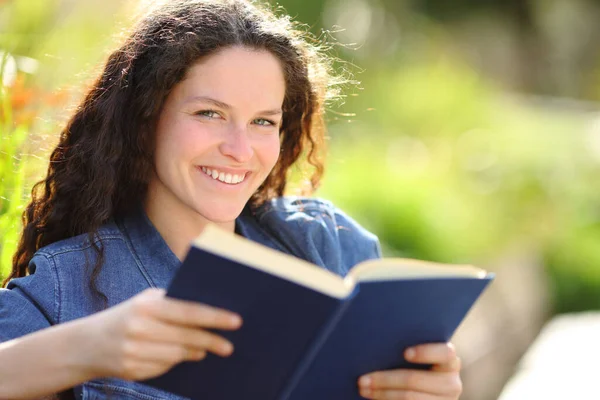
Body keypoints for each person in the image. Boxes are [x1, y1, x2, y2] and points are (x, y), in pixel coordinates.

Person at [0, 0, 463, 399]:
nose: (240, 150)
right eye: (210, 113)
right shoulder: (69, 284)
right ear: (145, 120)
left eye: (263, 122)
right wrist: (87, 348)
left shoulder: (326, 243)